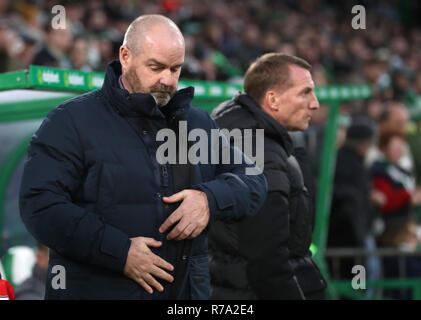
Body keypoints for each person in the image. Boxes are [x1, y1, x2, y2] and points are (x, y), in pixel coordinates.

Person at [19, 14, 267, 300]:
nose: (167, 80)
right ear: (125, 56)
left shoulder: (197, 124)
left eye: (176, 69)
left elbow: (253, 177)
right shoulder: (71, 121)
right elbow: (40, 205)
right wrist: (119, 251)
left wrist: (210, 200)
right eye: (156, 67)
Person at [209, 53, 327, 300]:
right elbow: (267, 262)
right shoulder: (261, 153)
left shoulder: (252, 142)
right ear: (273, 99)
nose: (314, 104)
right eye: (305, 93)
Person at [327, 118, 377, 279]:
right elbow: (354, 205)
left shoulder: (336, 160)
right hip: (352, 241)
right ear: (364, 146)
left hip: (343, 239)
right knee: (357, 285)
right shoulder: (355, 168)